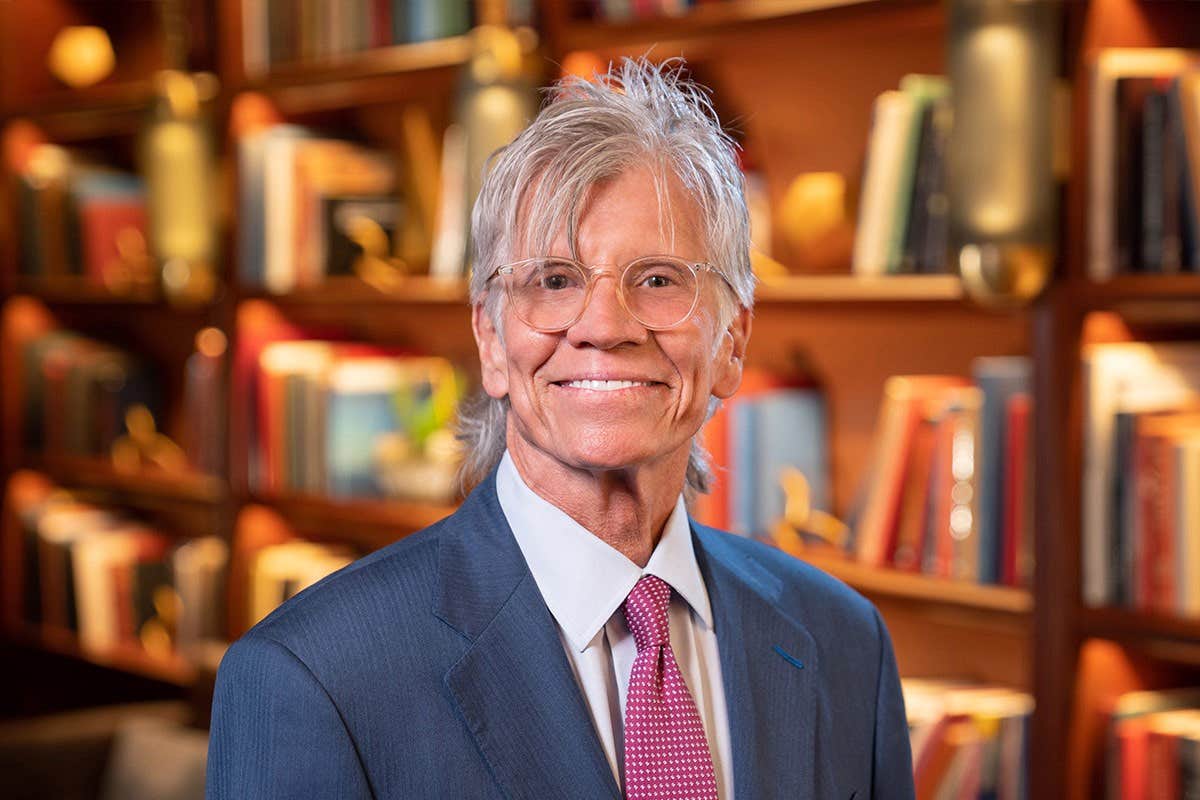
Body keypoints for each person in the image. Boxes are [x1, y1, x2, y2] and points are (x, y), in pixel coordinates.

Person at [206, 58, 914, 800]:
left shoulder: (843, 642)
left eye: (659, 278)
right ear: (490, 341)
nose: (604, 327)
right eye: (554, 280)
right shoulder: (313, 676)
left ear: (732, 343)